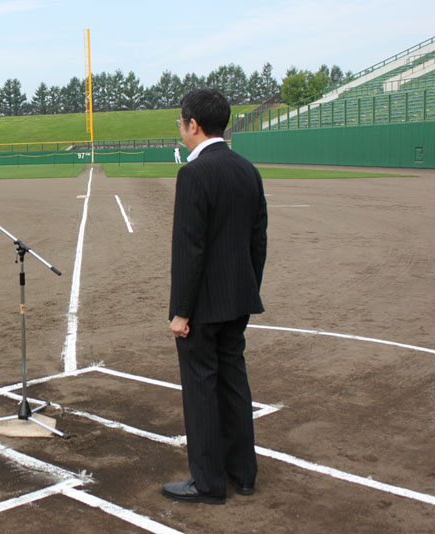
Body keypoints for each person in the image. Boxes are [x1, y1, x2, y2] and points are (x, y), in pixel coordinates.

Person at [162, 89, 268, 505]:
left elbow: (190, 248)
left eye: (181, 123)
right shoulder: (247, 170)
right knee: (234, 382)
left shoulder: (194, 174)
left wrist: (181, 311)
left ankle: (207, 482)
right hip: (238, 298)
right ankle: (244, 473)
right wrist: (247, 288)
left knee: (201, 388)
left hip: (203, 307)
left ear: (193, 125)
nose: (181, 129)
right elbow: (258, 240)